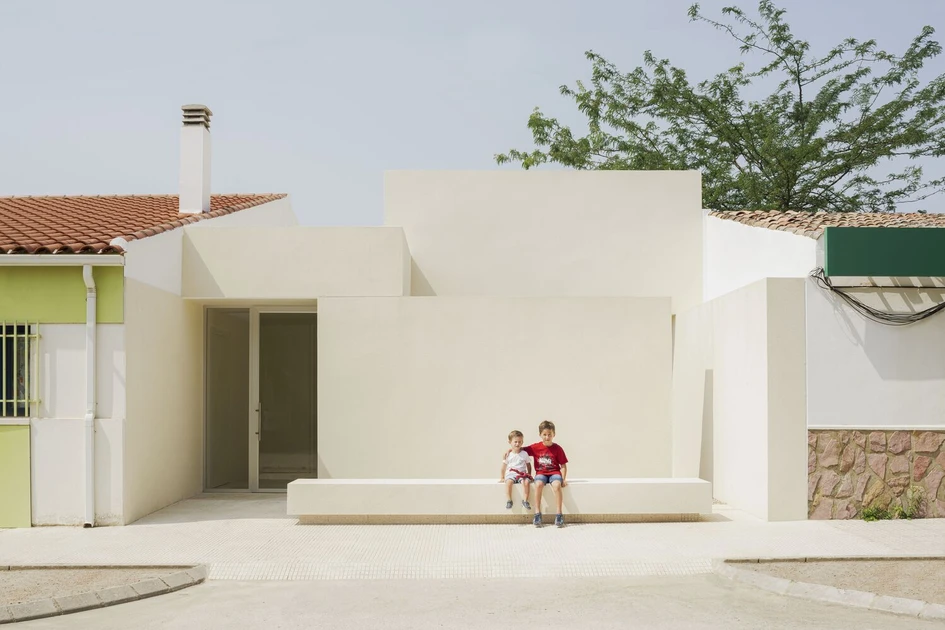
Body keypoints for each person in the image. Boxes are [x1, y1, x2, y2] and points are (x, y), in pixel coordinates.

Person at [524, 420, 568, 527]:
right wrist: (509, 450)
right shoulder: (535, 447)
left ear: (554, 434)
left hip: (554, 472)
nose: (547, 437)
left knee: (557, 486)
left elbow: (563, 465)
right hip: (541, 473)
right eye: (544, 434)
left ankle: (559, 514)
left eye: (549, 435)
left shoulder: (557, 448)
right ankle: (537, 513)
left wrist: (563, 478)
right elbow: (520, 450)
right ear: (540, 435)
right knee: (538, 484)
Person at [501, 430, 532, 510]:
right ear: (510, 442)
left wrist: (529, 474)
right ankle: (509, 500)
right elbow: (503, 466)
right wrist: (502, 477)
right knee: (508, 482)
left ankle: (525, 500)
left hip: (522, 474)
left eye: (519, 442)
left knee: (525, 483)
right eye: (515, 442)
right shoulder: (508, 455)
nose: (517, 444)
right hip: (511, 473)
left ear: (522, 442)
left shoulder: (524, 454)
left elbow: (528, 465)